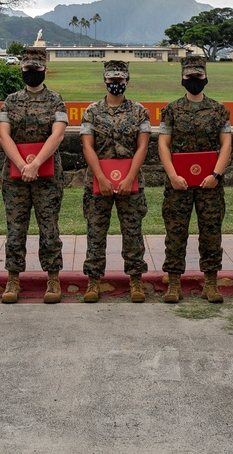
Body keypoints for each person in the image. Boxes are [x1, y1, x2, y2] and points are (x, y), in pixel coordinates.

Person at [158, 55, 232, 304]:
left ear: (206, 77)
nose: (194, 80)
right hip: (177, 184)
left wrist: (216, 175)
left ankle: (210, 283)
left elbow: (226, 144)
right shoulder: (171, 109)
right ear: (182, 78)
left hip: (209, 185)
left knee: (211, 233)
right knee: (175, 233)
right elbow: (163, 145)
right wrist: (172, 175)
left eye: (198, 76)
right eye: (189, 76)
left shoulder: (219, 109)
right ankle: (174, 283)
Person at [0, 47, 68, 304]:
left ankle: (52, 278)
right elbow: (3, 134)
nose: (32, 73)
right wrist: (22, 165)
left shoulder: (55, 100)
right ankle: (13, 279)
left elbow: (57, 134)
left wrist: (36, 164)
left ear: (45, 70)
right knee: (15, 228)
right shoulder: (11, 101)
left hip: (47, 175)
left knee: (49, 228)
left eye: (37, 69)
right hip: (15, 176)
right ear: (21, 70)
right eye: (28, 69)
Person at [80, 60, 151, 303]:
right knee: (95, 231)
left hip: (129, 182)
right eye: (111, 80)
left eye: (120, 80)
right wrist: (100, 177)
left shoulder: (139, 111)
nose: (116, 84)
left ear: (127, 81)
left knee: (132, 231)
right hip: (98, 182)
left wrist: (130, 176)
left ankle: (135, 280)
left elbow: (143, 146)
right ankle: (93, 280)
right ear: (104, 81)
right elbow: (87, 147)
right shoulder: (92, 111)